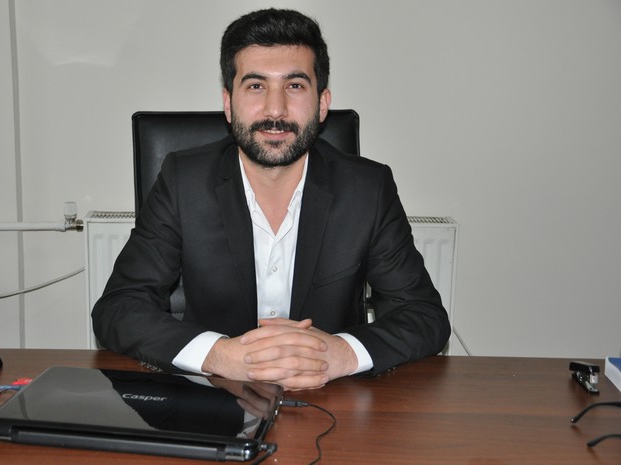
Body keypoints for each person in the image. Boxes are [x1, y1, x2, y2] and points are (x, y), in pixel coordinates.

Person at [92, 8, 450, 391]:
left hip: (332, 399)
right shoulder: (183, 182)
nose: (275, 110)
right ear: (228, 103)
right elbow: (119, 308)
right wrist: (221, 355)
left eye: (294, 85)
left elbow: (424, 315)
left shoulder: (368, 189)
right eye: (255, 86)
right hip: (214, 398)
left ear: (322, 103)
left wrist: (341, 354)